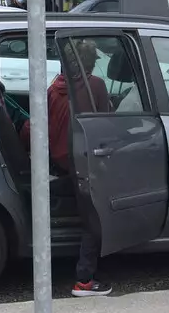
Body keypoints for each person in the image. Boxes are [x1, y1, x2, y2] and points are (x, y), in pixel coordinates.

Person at [21, 38, 113, 296]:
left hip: (60, 161)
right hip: (82, 162)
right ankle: (84, 280)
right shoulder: (95, 85)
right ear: (89, 63)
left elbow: (38, 126)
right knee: (94, 220)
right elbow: (105, 124)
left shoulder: (54, 88)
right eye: (94, 61)